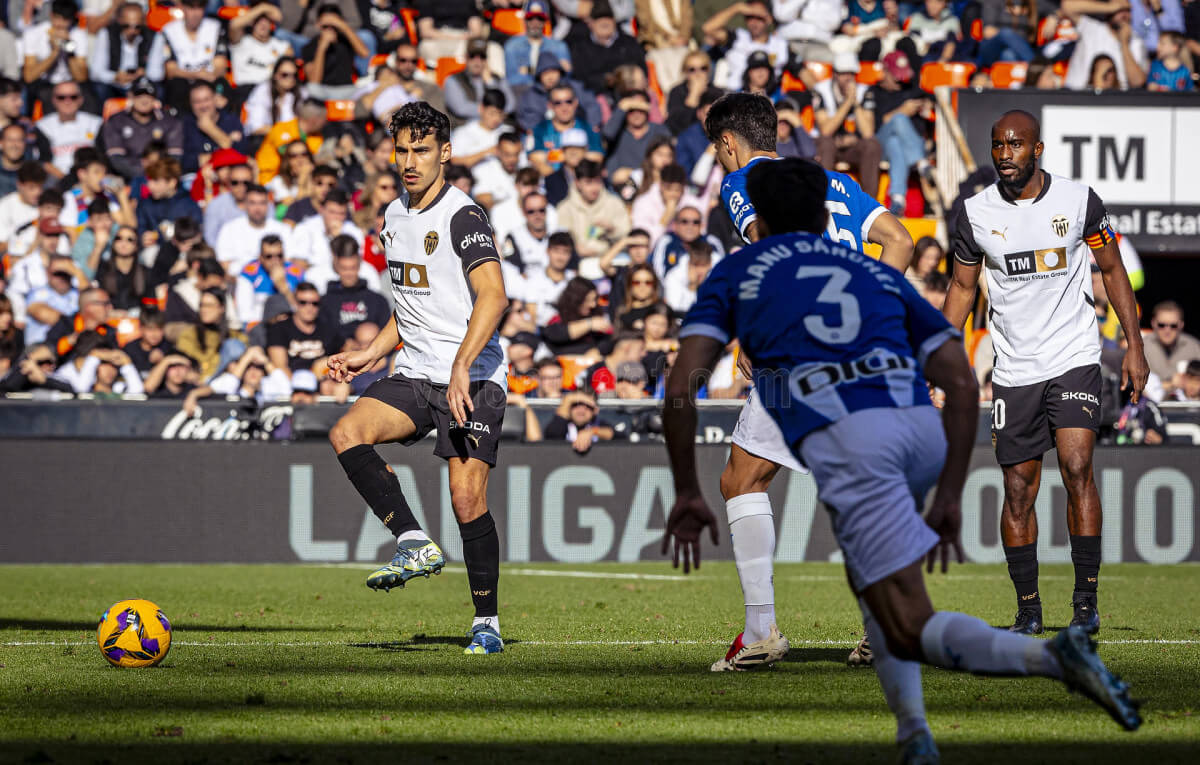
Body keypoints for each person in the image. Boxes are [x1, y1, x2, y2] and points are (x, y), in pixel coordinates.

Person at [662, 156, 1142, 762]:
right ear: (822, 212)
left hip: (843, 423)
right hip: (909, 425)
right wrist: (944, 494)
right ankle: (919, 727)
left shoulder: (745, 270)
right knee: (890, 602)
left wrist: (685, 488)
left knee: (895, 611)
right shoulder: (873, 274)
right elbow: (959, 381)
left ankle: (1027, 666)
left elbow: (679, 389)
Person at [702, 92, 913, 669]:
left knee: (741, 481)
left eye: (717, 151)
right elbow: (901, 240)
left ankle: (762, 631)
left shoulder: (743, 181)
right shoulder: (834, 182)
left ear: (728, 143)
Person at [941, 110, 1149, 636]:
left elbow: (1112, 270)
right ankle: (1029, 609)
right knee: (1018, 490)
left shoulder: (1080, 202)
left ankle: (1085, 602)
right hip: (1014, 367)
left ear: (1037, 149)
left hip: (1074, 355)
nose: (1005, 153)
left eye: (1015, 144)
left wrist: (1134, 346)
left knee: (1078, 465)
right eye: (997, 144)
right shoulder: (974, 213)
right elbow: (964, 289)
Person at [325, 102, 509, 655]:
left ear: (445, 153)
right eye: (402, 149)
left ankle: (487, 625)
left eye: (421, 150)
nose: (409, 160)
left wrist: (460, 365)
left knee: (465, 497)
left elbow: (494, 296)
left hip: (472, 376)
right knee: (345, 433)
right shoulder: (393, 217)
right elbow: (411, 308)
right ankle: (412, 540)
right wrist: (369, 353)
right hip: (415, 371)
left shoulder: (464, 216)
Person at [814, 52, 883, 203]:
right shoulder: (821, 90)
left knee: (872, 145)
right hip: (829, 145)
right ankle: (826, 201)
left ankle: (869, 204)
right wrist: (847, 102)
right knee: (826, 143)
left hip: (853, 146)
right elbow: (826, 130)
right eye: (843, 73)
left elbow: (867, 132)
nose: (848, 78)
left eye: (851, 73)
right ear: (835, 74)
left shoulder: (865, 91)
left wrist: (855, 102)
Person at [100, 76, 185, 180]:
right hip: (125, 178)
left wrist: (156, 175)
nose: (144, 100)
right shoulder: (116, 121)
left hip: (162, 178)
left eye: (148, 95)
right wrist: (144, 175)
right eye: (139, 95)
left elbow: (174, 158)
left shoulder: (170, 122)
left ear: (155, 98)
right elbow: (117, 160)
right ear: (130, 96)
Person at [1062, 0, 1149, 90]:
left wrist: (1124, 44)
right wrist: (1110, 7)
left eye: (1127, 10)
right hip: (1076, 94)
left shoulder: (1136, 42)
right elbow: (1067, 6)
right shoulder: (1091, 28)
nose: (1124, 15)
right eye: (1119, 10)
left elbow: (1138, 82)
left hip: (1114, 99)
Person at [160, 0, 229, 111]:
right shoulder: (169, 31)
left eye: (200, 7)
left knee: (222, 85)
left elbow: (220, 66)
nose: (195, 13)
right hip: (184, 81)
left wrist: (206, 77)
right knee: (176, 85)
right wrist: (196, 75)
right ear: (182, 7)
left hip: (209, 79)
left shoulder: (215, 27)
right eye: (191, 7)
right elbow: (171, 70)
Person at [90, 2, 166, 102]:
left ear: (143, 22)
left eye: (137, 26)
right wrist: (115, 77)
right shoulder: (106, 34)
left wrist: (143, 74)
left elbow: (157, 74)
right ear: (119, 21)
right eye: (126, 26)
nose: (132, 31)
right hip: (114, 85)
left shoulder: (155, 36)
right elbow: (95, 72)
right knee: (98, 88)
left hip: (142, 86)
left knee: (160, 90)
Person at [214, 184, 293, 275]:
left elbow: (289, 261)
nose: (257, 208)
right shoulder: (229, 229)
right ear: (245, 205)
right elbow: (223, 263)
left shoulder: (283, 230)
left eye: (262, 203)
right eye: (252, 203)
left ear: (268, 205)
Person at [266, 281, 340, 376]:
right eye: (303, 302)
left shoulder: (328, 329)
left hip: (324, 383)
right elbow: (280, 368)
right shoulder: (278, 329)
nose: (309, 308)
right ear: (294, 303)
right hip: (291, 384)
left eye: (314, 303)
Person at [301, 3, 370, 101]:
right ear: (318, 25)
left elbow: (365, 53)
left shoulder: (346, 40)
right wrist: (322, 48)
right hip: (323, 91)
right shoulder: (309, 46)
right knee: (309, 89)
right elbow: (314, 81)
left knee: (371, 88)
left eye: (333, 26)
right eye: (325, 26)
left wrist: (342, 26)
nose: (330, 29)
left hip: (347, 90)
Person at [35, 80, 102, 179]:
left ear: (81, 99)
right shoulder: (43, 126)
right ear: (54, 100)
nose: (67, 101)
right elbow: (45, 162)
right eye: (61, 97)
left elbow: (102, 157)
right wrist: (66, 181)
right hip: (57, 179)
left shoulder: (95, 123)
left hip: (91, 178)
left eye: (73, 97)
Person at [234, 234, 304, 327]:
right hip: (260, 327)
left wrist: (284, 288)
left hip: (290, 327)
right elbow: (245, 315)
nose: (275, 261)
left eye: (279, 256)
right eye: (269, 256)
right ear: (260, 257)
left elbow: (303, 310)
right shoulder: (249, 274)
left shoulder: (296, 274)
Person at [504, 0, 571, 91]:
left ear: (545, 20)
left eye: (540, 18)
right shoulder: (512, 45)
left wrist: (528, 71)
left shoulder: (558, 46)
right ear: (524, 19)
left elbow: (567, 76)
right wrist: (546, 74)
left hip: (552, 92)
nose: (535, 23)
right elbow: (512, 80)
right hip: (522, 92)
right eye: (530, 18)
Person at [1143, 300, 1200, 398]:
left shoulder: (1194, 347)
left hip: (1186, 408)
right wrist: (1170, 384)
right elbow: (1136, 385)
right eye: (1162, 325)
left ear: (1181, 325)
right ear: (1153, 323)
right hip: (1150, 407)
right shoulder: (1141, 347)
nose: (1167, 330)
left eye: (1173, 326)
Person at [544, 388, 615, 452]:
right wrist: (569, 398)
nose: (581, 411)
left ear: (595, 410)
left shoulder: (598, 424)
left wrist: (593, 431)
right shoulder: (562, 425)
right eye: (576, 404)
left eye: (588, 406)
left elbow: (619, 436)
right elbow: (552, 434)